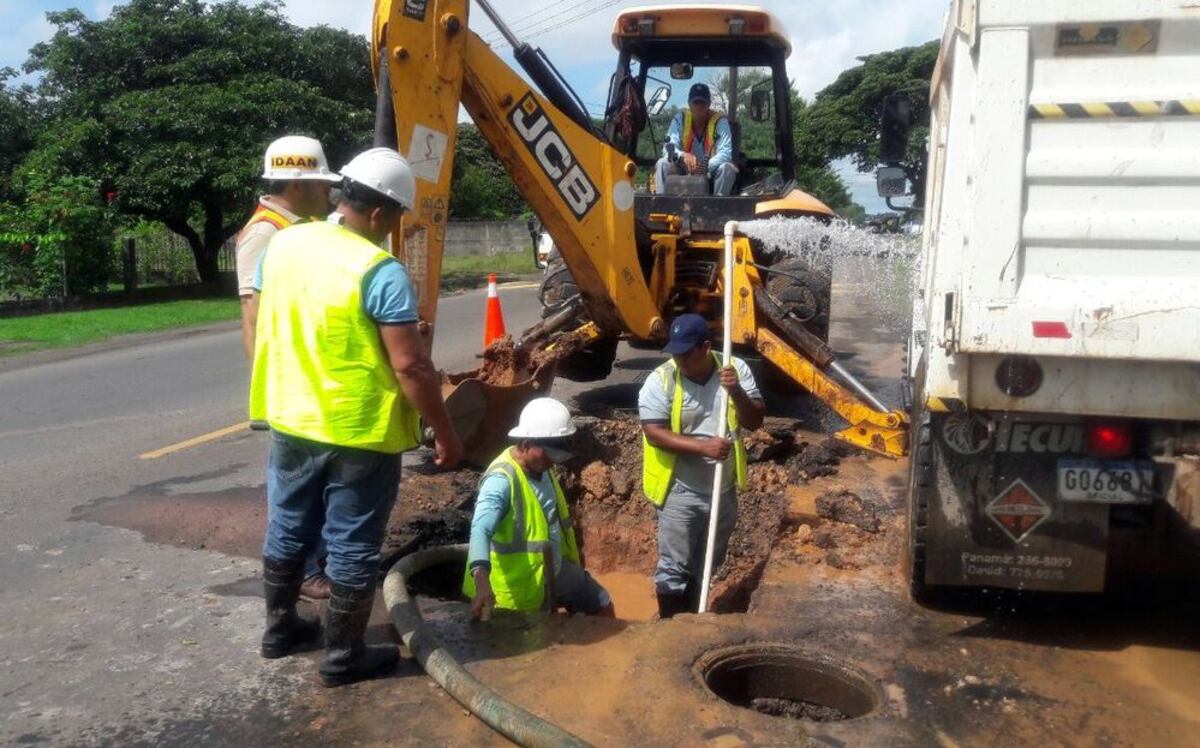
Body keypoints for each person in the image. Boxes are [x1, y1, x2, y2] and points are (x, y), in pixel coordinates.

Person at [249, 147, 464, 687]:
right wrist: (444, 431)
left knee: (288, 525)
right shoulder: (379, 270)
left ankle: (279, 630)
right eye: (395, 219)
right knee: (352, 542)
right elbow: (411, 365)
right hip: (358, 431)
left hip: (291, 419)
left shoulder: (284, 244)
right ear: (379, 213)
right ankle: (343, 656)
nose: (393, 229)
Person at [238, 136, 342, 601]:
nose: (328, 192)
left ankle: (317, 563)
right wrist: (269, 385)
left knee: (315, 482)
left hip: (308, 379)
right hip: (291, 384)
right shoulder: (265, 233)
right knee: (297, 490)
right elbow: (253, 316)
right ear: (298, 185)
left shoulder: (301, 227)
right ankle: (302, 572)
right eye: (321, 183)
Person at [638, 314, 765, 618]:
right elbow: (654, 432)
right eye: (675, 353)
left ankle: (693, 621)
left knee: (708, 562)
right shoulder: (661, 380)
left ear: (705, 347)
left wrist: (736, 391)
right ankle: (671, 626)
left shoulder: (735, 369)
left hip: (723, 489)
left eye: (686, 353)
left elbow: (755, 420)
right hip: (681, 491)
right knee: (674, 567)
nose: (678, 359)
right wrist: (702, 447)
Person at [464, 398, 614, 619]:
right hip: (520, 587)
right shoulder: (501, 481)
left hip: (554, 569)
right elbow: (480, 530)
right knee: (538, 637)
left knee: (601, 602)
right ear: (525, 444)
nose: (553, 461)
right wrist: (482, 584)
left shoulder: (541, 466)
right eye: (548, 454)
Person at [654, 83, 738, 196]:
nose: (699, 107)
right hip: (684, 168)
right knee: (662, 163)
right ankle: (661, 203)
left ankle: (718, 204)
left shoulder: (720, 122)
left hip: (710, 171)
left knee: (728, 168)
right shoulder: (680, 119)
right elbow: (667, 148)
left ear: (709, 104)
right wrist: (682, 155)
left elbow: (726, 153)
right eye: (695, 102)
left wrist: (703, 166)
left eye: (702, 103)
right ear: (689, 104)